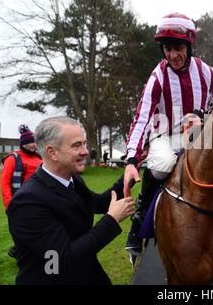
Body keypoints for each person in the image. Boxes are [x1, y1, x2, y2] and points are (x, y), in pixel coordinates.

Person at [123, 12, 213, 256]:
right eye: (167, 48)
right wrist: (131, 160)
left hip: (198, 135)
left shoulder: (208, 73)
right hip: (165, 137)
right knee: (163, 164)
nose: (173, 55)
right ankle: (140, 217)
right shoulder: (158, 76)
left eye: (178, 48)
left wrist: (205, 117)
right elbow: (142, 116)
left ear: (189, 45)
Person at [7, 117, 135, 284]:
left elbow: (102, 202)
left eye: (84, 143)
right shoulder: (27, 202)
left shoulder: (72, 180)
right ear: (52, 152)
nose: (86, 151)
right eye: (76, 145)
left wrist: (129, 174)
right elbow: (62, 259)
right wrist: (111, 220)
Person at [0, 124, 43, 258]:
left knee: (39, 229)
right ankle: (20, 251)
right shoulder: (13, 158)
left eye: (34, 141)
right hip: (20, 201)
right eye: (30, 142)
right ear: (23, 143)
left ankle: (29, 251)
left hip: (40, 200)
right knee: (21, 230)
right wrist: (9, 204)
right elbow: (4, 182)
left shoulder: (39, 158)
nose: (33, 145)